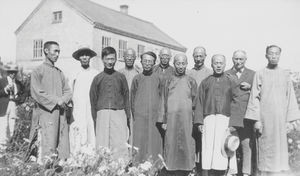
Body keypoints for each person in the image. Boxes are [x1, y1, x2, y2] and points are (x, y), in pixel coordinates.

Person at [245, 45, 300, 176]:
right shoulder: (260, 74)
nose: (274, 56)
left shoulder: (285, 74)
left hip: (281, 120)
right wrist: (256, 120)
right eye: (271, 53)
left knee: (279, 152)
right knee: (265, 150)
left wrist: (290, 121)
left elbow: (290, 97)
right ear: (266, 56)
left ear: (280, 55)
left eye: (276, 54)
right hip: (265, 119)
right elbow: (254, 97)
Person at [195, 54, 242, 176]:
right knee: (208, 146)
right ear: (211, 65)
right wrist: (199, 122)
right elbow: (199, 102)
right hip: (208, 119)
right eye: (216, 63)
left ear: (225, 64)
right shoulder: (206, 82)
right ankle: (208, 172)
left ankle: (222, 172)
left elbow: (237, 102)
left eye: (221, 63)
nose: (218, 65)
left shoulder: (231, 81)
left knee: (223, 147)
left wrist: (234, 123)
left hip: (225, 120)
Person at [30, 41, 72, 163]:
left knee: (60, 141)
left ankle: (57, 168)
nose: (57, 54)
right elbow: (37, 92)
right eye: (55, 51)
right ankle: (44, 168)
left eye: (59, 51)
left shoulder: (59, 72)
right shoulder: (38, 71)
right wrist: (56, 100)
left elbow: (68, 91)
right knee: (46, 142)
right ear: (46, 51)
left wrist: (63, 100)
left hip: (60, 113)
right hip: (45, 113)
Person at [89, 46, 130, 157]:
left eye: (112, 59)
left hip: (118, 113)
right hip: (102, 113)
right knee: (102, 142)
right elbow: (93, 99)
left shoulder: (121, 77)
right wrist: (95, 118)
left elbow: (126, 96)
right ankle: (103, 168)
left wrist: (127, 117)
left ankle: (119, 168)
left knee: (119, 142)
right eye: (107, 59)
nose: (110, 62)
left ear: (116, 60)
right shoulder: (97, 78)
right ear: (102, 59)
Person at [161, 53, 197, 176]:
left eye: (183, 63)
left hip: (187, 118)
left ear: (186, 64)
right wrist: (164, 120)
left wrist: (195, 119)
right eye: (178, 63)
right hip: (171, 118)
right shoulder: (168, 80)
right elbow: (163, 100)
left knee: (187, 141)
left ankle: (188, 168)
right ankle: (170, 168)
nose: (180, 66)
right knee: (171, 141)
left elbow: (195, 101)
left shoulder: (191, 81)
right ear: (174, 64)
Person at [226, 50, 255, 176]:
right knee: (229, 144)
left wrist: (251, 87)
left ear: (245, 59)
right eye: (236, 59)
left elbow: (260, 92)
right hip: (231, 115)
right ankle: (230, 172)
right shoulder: (226, 74)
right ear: (232, 59)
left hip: (246, 116)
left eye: (241, 59)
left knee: (246, 145)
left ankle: (246, 172)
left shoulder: (253, 74)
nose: (238, 62)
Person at [131, 51, 163, 163]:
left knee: (153, 142)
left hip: (154, 117)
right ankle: (137, 166)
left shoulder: (159, 79)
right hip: (140, 116)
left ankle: (153, 167)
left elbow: (162, 97)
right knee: (139, 141)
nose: (147, 64)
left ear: (154, 63)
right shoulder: (137, 78)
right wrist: (135, 114)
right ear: (141, 62)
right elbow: (132, 97)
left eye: (150, 61)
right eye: (145, 61)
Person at [187, 46, 212, 176]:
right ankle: (192, 167)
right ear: (193, 57)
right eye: (196, 56)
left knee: (204, 141)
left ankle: (204, 168)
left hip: (204, 111)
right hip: (190, 111)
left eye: (200, 56)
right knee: (192, 140)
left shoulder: (210, 73)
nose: (198, 59)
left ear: (205, 56)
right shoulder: (188, 73)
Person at [69, 47, 98, 155]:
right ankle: (77, 156)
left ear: (90, 57)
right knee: (78, 129)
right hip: (78, 107)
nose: (85, 57)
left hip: (91, 107)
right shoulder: (74, 73)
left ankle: (91, 156)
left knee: (90, 128)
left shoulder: (95, 73)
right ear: (79, 58)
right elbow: (70, 91)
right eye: (82, 55)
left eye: (87, 55)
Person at [0, 64, 24, 149]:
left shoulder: (18, 83)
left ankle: (9, 147)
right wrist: (5, 89)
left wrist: (18, 98)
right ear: (7, 73)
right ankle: (2, 148)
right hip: (3, 106)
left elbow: (23, 95)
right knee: (3, 126)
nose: (12, 74)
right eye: (11, 72)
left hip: (14, 105)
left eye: (14, 72)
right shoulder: (2, 81)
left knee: (12, 126)